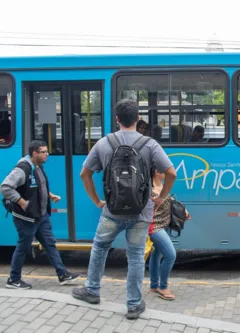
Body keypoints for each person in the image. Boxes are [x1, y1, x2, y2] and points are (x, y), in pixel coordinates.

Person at [72, 100, 176, 320]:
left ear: (117, 119)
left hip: (112, 211)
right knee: (136, 255)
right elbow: (171, 173)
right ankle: (133, 304)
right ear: (138, 119)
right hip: (141, 212)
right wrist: (161, 198)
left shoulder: (103, 143)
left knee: (100, 247)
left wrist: (97, 201)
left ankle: (92, 290)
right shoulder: (150, 144)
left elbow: (85, 174)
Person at [0, 140, 80, 289]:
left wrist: (50, 195)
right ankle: (13, 279)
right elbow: (5, 187)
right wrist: (23, 203)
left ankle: (63, 274)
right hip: (26, 217)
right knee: (23, 247)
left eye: (46, 151)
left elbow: (38, 186)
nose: (47, 154)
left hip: (40, 215)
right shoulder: (23, 168)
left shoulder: (37, 166)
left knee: (50, 244)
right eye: (43, 152)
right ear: (34, 153)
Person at [148, 168, 190, 300]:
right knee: (170, 255)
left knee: (157, 255)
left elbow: (170, 199)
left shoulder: (162, 185)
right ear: (156, 171)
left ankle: (154, 285)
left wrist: (184, 211)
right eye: (162, 170)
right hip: (154, 227)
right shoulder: (149, 189)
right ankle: (163, 287)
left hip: (164, 224)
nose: (165, 171)